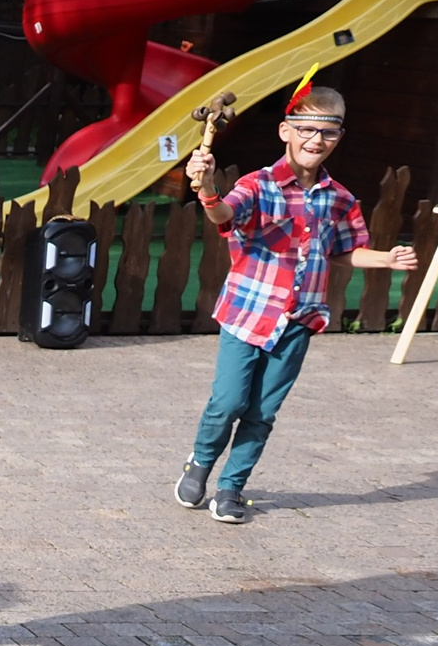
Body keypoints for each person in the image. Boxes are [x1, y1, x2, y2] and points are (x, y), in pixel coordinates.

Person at [174, 84, 415, 524]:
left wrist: (384, 258)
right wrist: (207, 187)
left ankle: (231, 488)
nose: (314, 140)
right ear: (285, 131)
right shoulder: (257, 185)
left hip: (300, 319)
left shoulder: (339, 198)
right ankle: (200, 462)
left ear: (338, 138)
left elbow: (343, 250)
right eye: (304, 129)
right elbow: (223, 216)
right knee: (228, 403)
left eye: (326, 133)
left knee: (263, 411)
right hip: (248, 314)